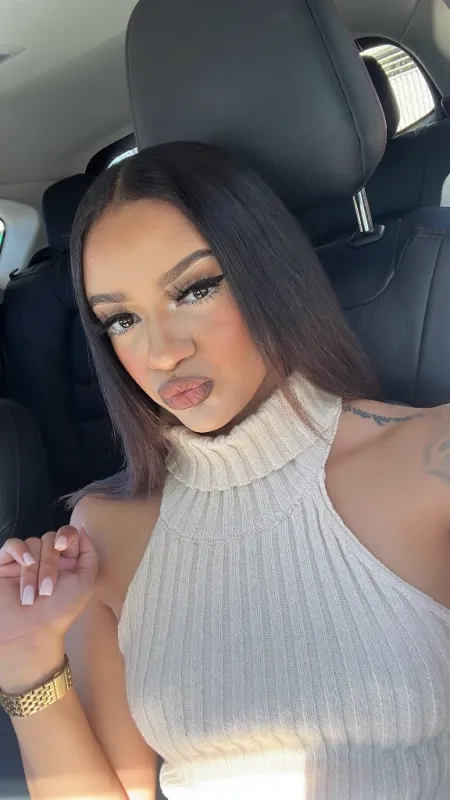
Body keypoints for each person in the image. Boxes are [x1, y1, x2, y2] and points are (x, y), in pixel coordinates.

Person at [0, 142, 449, 800]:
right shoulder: (105, 533)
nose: (163, 352)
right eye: (121, 319)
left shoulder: (430, 461)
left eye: (195, 289)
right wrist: (25, 661)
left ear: (269, 273)